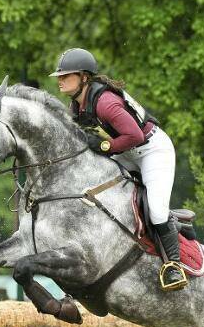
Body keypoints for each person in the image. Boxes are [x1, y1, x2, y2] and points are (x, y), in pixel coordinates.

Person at [50, 48, 187, 291]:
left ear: (84, 77)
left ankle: (174, 266)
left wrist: (104, 145)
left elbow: (133, 134)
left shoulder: (105, 102)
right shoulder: (77, 106)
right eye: (60, 75)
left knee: (156, 211)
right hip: (125, 153)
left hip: (152, 151)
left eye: (66, 75)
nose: (60, 79)